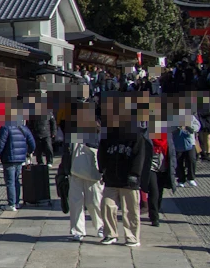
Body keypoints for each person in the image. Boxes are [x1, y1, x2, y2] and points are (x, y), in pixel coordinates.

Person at [97, 98, 152, 247]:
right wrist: (102, 168)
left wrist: (135, 174)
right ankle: (110, 234)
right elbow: (102, 152)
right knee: (107, 206)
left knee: (130, 210)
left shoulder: (136, 135)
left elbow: (140, 156)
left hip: (129, 179)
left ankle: (132, 236)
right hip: (111, 177)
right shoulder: (109, 134)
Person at [57, 102, 102, 241]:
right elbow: (66, 152)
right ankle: (78, 230)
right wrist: (64, 170)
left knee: (94, 201)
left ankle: (100, 226)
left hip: (92, 172)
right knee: (76, 202)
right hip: (74, 171)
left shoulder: (97, 130)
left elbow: (100, 149)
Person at [0, 108, 36, 211]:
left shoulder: (6, 128)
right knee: (16, 180)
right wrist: (27, 152)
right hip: (20, 159)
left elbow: (0, 144)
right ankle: (16, 202)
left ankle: (11, 204)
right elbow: (33, 144)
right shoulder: (24, 128)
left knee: (10, 182)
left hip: (8, 159)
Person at [170, 110, 199, 188]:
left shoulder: (190, 117)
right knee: (179, 161)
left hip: (190, 142)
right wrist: (177, 127)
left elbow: (197, 126)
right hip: (177, 143)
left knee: (191, 160)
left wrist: (189, 127)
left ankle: (191, 178)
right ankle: (181, 179)